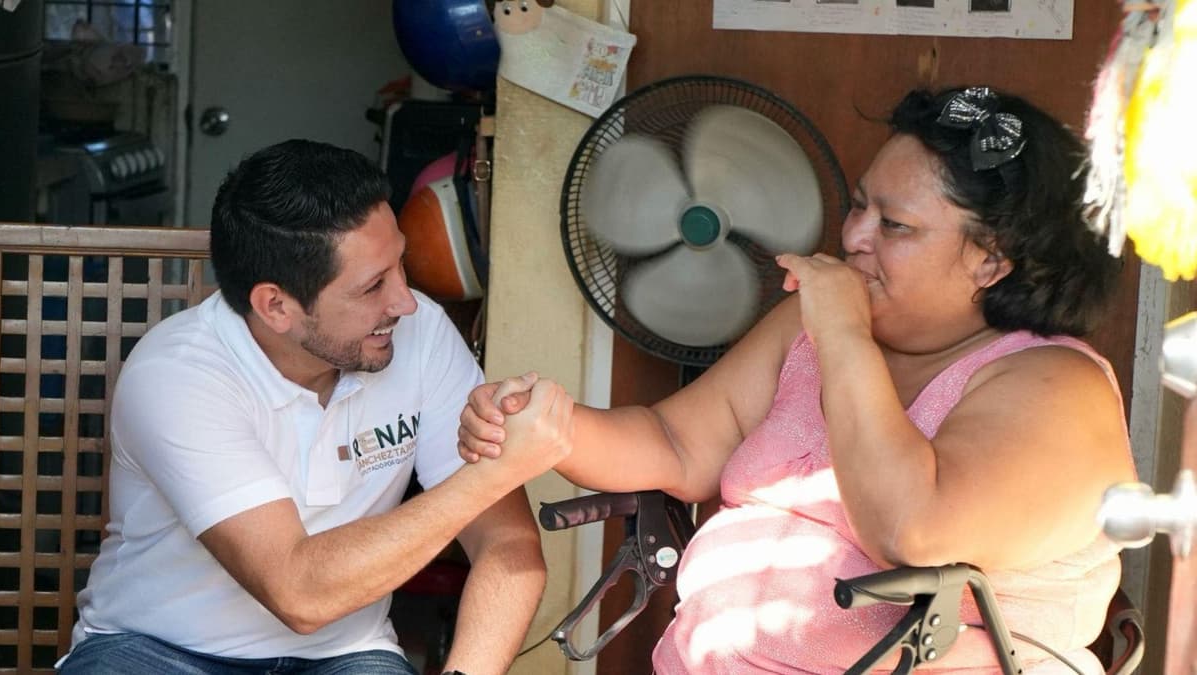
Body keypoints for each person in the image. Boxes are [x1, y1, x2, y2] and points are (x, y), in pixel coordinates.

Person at [459, 87, 1138, 673]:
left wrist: (843, 335)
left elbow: (912, 528)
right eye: (859, 206)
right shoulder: (810, 328)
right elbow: (678, 440)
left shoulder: (1056, 387)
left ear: (992, 261)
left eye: (894, 225)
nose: (855, 236)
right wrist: (552, 426)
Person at [58, 139, 556, 675]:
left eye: (401, 264)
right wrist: (494, 474)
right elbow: (299, 595)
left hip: (347, 656)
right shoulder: (177, 374)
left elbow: (507, 544)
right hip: (156, 649)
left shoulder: (422, 334)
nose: (406, 302)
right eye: (373, 286)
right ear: (276, 306)